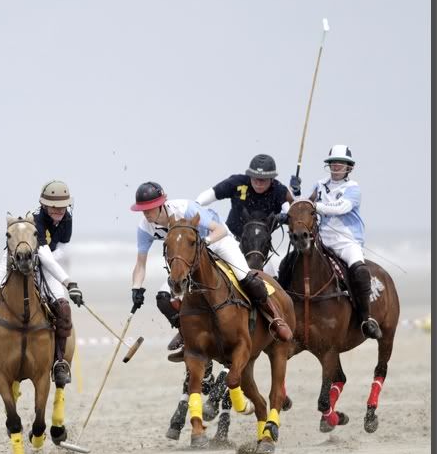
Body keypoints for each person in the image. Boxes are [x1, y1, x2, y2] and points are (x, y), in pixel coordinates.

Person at [129, 181, 293, 348]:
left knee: (245, 277)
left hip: (218, 242)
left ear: (161, 204)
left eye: (150, 208)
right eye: (143, 209)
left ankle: (276, 318)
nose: (146, 213)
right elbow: (141, 263)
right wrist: (136, 288)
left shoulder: (185, 208)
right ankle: (186, 334)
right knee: (164, 298)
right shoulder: (144, 228)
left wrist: (203, 243)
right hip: (192, 258)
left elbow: (219, 230)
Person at [0, 180, 84, 384]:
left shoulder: (67, 219)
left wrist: (66, 281)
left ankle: (60, 363)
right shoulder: (36, 222)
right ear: (44, 205)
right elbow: (43, 253)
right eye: (54, 208)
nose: (59, 212)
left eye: (62, 207)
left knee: (63, 308)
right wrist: (69, 283)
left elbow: (57, 251)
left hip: (46, 265)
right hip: (12, 263)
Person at [309, 145, 382, 340]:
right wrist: (296, 192)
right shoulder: (319, 185)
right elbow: (305, 206)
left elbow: (341, 207)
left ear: (349, 167)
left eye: (341, 163)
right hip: (322, 240)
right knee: (293, 263)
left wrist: (315, 206)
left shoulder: (353, 189)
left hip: (347, 242)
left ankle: (366, 319)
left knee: (359, 270)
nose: (336, 166)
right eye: (333, 163)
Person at [195, 154, 300, 241]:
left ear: (271, 179)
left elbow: (295, 216)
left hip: (260, 248)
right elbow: (212, 194)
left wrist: (295, 193)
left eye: (263, 180)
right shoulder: (237, 182)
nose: (258, 183)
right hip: (230, 239)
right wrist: (195, 206)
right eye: (255, 179)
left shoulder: (279, 190)